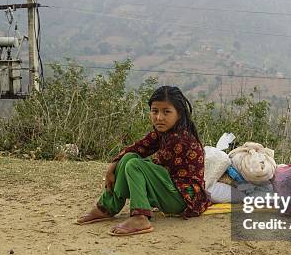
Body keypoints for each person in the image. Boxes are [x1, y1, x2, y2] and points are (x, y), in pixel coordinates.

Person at [76, 86, 210, 236]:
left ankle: (140, 218)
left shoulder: (181, 138)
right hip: (169, 189)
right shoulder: (162, 132)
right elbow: (136, 147)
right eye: (155, 111)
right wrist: (112, 166)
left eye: (166, 112)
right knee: (129, 157)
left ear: (179, 114)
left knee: (135, 165)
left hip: (184, 197)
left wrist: (129, 168)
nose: (159, 117)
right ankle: (107, 207)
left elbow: (155, 166)